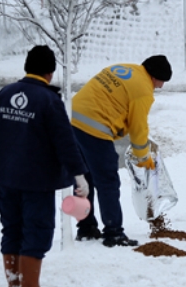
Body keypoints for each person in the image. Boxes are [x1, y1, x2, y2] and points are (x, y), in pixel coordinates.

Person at [0, 45, 89, 287]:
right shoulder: (49, 100)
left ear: (27, 67)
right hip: (36, 179)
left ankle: (14, 283)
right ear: (50, 73)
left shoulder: (5, 93)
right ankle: (30, 285)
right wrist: (79, 174)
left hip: (6, 175)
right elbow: (65, 141)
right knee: (37, 227)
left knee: (11, 227)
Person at [71, 55, 172, 247]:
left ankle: (85, 229)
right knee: (107, 180)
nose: (161, 87)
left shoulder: (124, 69)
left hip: (70, 120)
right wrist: (143, 157)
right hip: (94, 127)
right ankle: (114, 233)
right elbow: (138, 129)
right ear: (154, 77)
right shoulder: (143, 91)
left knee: (82, 178)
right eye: (162, 81)